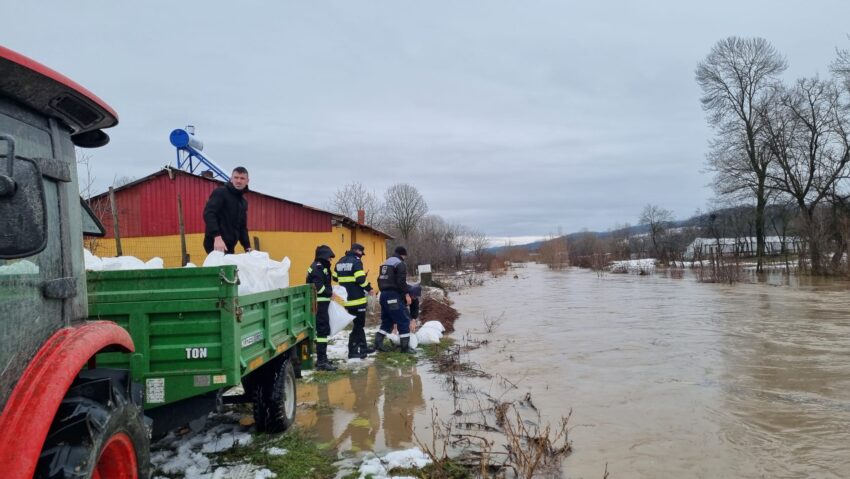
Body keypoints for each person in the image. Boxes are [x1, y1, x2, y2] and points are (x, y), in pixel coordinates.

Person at [333, 243, 376, 359]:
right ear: (357, 251)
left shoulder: (340, 261)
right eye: (361, 253)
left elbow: (335, 277)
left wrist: (348, 278)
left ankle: (363, 347)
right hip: (357, 300)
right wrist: (370, 289)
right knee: (358, 326)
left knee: (358, 325)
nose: (361, 255)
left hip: (347, 300)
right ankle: (352, 351)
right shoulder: (356, 262)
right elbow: (361, 279)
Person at [202, 166, 252, 254]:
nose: (238, 181)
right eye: (236, 177)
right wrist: (217, 237)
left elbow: (242, 227)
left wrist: (247, 247)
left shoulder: (243, 202)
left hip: (230, 245)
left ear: (247, 181)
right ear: (231, 179)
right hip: (216, 243)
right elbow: (209, 214)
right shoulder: (221, 192)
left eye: (242, 178)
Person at [374, 246, 414, 354]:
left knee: (388, 320)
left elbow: (379, 279)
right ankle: (405, 348)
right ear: (403, 255)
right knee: (403, 320)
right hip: (393, 296)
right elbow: (401, 282)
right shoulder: (400, 264)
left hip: (383, 295)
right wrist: (406, 294)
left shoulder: (385, 263)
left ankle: (378, 343)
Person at [307, 245, 337, 371]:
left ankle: (323, 359)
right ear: (324, 257)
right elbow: (318, 287)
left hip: (321, 304)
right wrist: (330, 293)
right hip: (319, 304)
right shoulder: (318, 268)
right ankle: (321, 361)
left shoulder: (320, 267)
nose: (331, 261)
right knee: (322, 331)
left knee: (323, 331)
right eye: (329, 258)